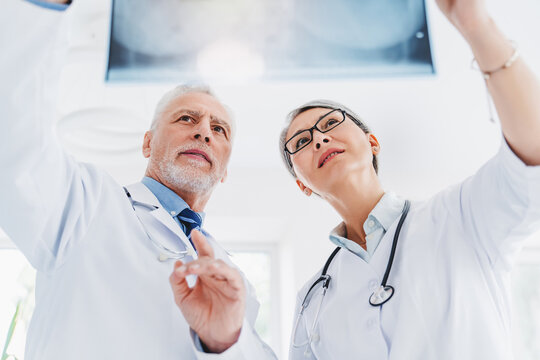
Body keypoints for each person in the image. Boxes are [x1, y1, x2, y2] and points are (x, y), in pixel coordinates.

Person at [171, 0, 540, 359]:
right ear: (302, 183)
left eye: (330, 124)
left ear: (372, 141)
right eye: (300, 142)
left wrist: (477, 26)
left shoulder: (460, 218)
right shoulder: (313, 297)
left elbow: (530, 155)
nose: (318, 138)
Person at [0, 1, 276, 359]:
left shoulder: (236, 284)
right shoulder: (85, 204)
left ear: (224, 170)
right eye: (187, 119)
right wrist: (42, 8)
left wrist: (223, 342)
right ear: (148, 142)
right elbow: (15, 146)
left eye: (218, 129)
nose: (204, 133)